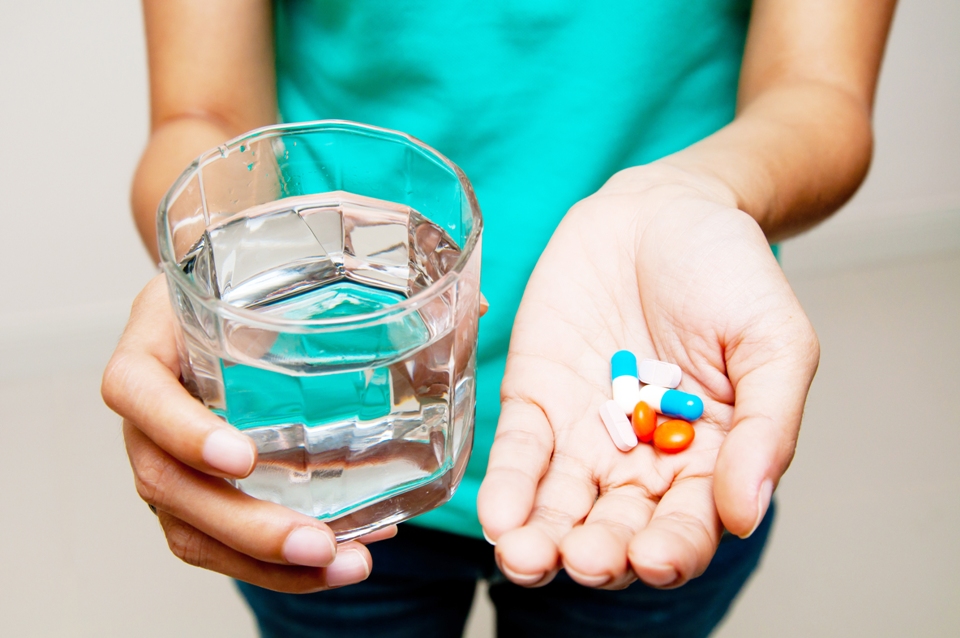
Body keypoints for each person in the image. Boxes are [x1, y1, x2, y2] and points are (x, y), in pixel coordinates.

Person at [101, 1, 896, 636]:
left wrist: (690, 196)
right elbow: (201, 109)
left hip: (654, 430)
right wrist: (214, 283)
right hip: (321, 449)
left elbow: (819, 93)